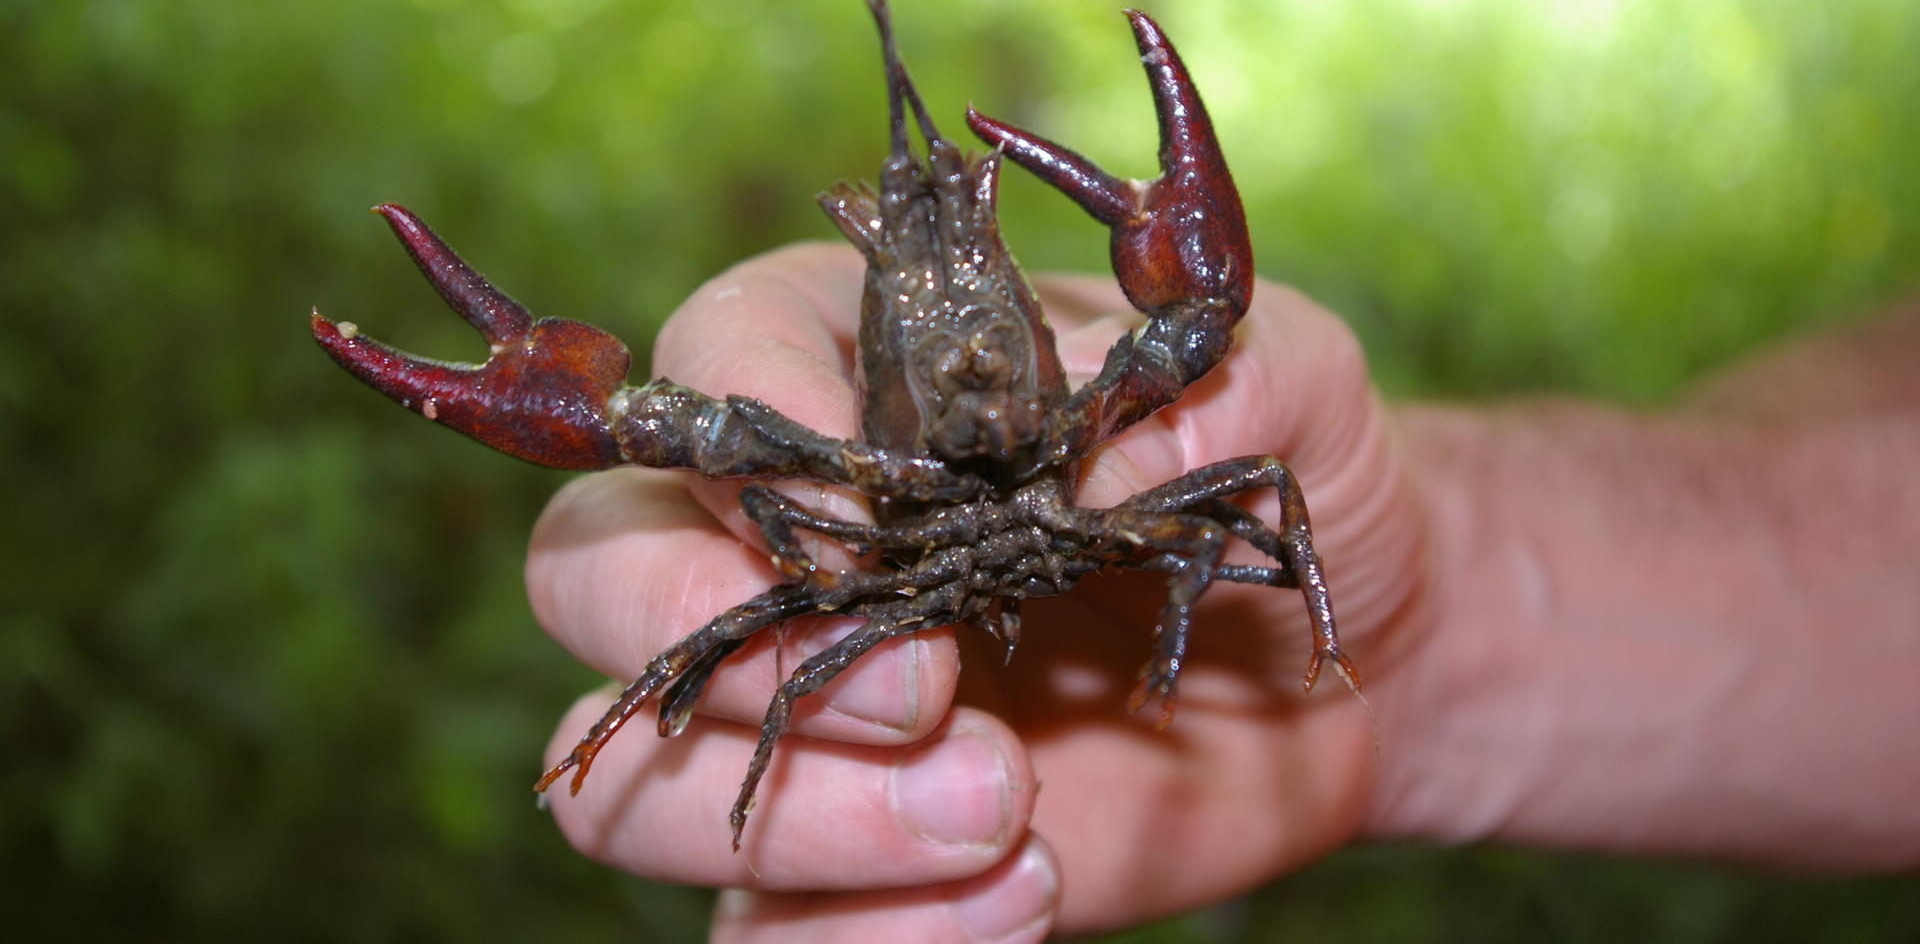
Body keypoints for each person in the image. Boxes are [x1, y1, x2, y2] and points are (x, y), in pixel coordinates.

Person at [523, 243, 1920, 943]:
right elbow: (740, 564)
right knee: (752, 631)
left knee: (1223, 507)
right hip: (886, 567)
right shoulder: (829, 464)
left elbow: (1224, 424)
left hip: (1089, 540)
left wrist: (1369, 632)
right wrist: (1441, 619)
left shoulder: (1125, 434)